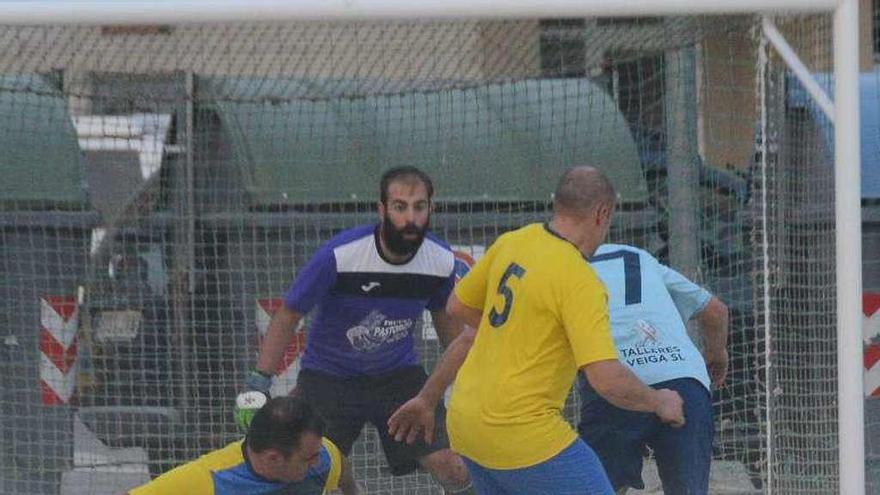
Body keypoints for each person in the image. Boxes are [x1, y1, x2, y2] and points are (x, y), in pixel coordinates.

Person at [388, 166, 686, 495]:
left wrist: (514, 331)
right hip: (522, 435)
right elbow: (606, 379)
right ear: (602, 214)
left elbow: (457, 307)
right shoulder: (580, 280)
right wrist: (659, 401)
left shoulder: (514, 241)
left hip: (466, 424)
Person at [235, 166, 474, 493]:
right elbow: (288, 314)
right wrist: (259, 380)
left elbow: (451, 330)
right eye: (400, 206)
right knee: (313, 473)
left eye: (419, 207)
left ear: (431, 209)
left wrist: (472, 381)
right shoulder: (340, 255)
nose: (410, 218)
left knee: (453, 466)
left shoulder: (441, 261)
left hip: (397, 377)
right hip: (328, 377)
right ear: (382, 209)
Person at [577, 243, 729, 495]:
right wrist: (716, 353)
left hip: (615, 381)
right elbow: (716, 310)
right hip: (682, 380)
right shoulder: (641, 258)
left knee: (604, 487)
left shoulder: (563, 266)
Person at [128, 396, 360, 495]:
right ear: (273, 458)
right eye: (308, 458)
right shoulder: (208, 480)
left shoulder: (323, 456)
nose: (317, 461)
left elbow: (342, 471)